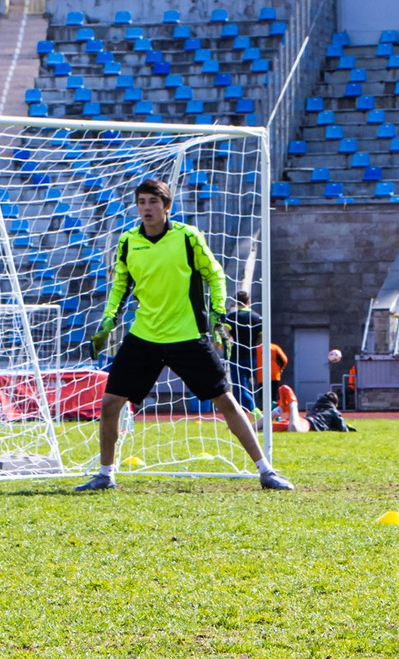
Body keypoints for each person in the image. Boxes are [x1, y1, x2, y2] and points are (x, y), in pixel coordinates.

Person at [78, 178, 289, 491]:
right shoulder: (127, 241)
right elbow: (121, 285)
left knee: (227, 401)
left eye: (153, 202)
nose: (147, 208)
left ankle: (266, 471)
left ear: (167, 206)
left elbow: (215, 274)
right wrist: (109, 320)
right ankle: (105, 474)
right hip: (145, 336)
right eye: (142, 202)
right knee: (110, 403)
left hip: (187, 335)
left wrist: (218, 314)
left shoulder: (188, 237)